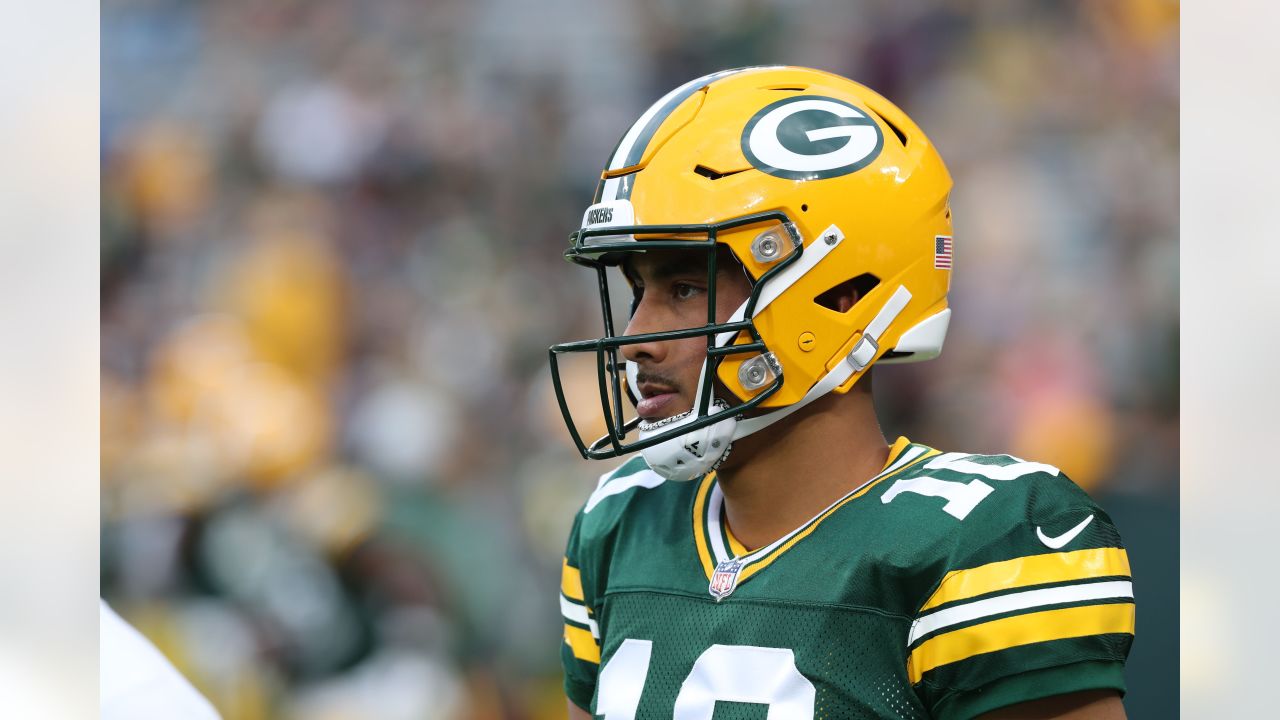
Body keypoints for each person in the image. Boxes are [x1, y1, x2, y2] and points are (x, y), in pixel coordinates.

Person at [548, 66, 1134, 719]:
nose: (636, 340)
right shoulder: (624, 522)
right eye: (638, 292)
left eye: (685, 288)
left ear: (840, 293)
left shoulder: (983, 539)